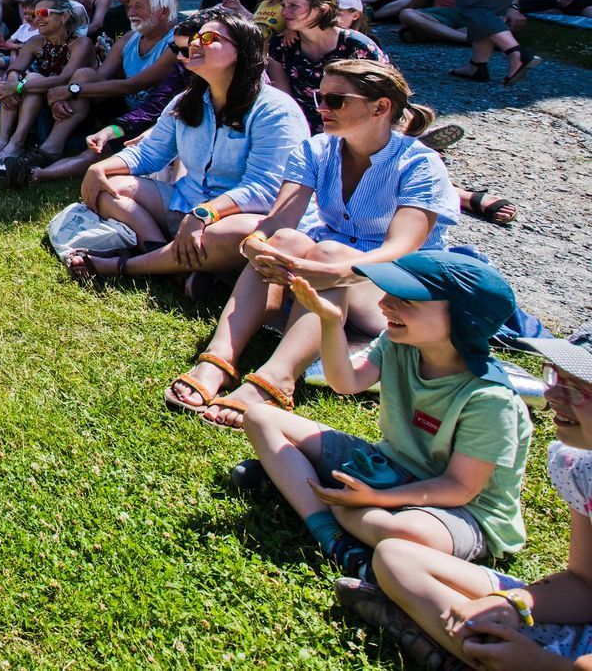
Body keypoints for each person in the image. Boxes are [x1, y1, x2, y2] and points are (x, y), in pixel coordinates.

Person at [168, 61, 459, 432]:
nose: (321, 108)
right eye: (320, 97)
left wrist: (334, 268)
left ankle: (279, 377)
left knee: (330, 251)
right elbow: (276, 223)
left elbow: (400, 250)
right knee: (284, 242)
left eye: (335, 100)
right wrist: (255, 245)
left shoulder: (419, 163)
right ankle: (218, 358)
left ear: (380, 107)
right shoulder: (317, 150)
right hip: (328, 273)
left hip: (399, 288)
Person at [238, 250, 528, 582]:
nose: (385, 304)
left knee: (405, 533)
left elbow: (459, 487)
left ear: (463, 318)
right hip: (388, 467)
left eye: (408, 300)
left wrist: (377, 498)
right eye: (388, 293)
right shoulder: (397, 343)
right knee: (261, 417)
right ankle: (335, 537)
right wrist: (331, 323)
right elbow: (346, 382)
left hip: (463, 511)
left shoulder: (489, 399)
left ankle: (307, 492)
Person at [353, 331, 592, 668]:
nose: (551, 393)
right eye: (555, 376)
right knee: (396, 557)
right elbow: (584, 583)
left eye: (576, 388)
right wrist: (513, 603)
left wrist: (543, 664)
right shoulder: (583, 466)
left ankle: (454, 648)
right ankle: (477, 653)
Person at [69, 11, 305, 282]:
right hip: (187, 202)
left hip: (239, 216)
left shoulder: (275, 110)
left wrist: (204, 213)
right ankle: (165, 258)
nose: (195, 43)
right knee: (111, 187)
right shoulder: (187, 101)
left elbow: (266, 188)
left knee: (233, 234)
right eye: (195, 37)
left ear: (242, 51)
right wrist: (100, 168)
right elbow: (149, 153)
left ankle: (128, 266)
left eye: (208, 38)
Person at [11, 0, 181, 186]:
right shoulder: (130, 38)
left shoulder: (176, 42)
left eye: (139, 7)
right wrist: (65, 95)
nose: (131, 12)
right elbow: (99, 76)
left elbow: (135, 84)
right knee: (83, 74)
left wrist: (70, 90)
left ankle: (37, 174)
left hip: (153, 115)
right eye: (129, 6)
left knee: (101, 149)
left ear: (163, 12)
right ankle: (51, 147)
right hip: (125, 107)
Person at [0, 0, 94, 172]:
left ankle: (17, 141)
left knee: (31, 80)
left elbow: (64, 78)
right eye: (34, 14)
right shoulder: (35, 41)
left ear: (64, 16)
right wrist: (12, 81)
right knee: (24, 79)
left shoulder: (81, 43)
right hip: (43, 95)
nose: (37, 19)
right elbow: (15, 68)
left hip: (73, 100)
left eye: (43, 13)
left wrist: (19, 86)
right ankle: (2, 139)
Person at [267, 0, 390, 132]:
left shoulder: (356, 45)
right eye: (284, 5)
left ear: (322, 10)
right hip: (301, 124)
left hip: (355, 125)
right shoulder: (281, 45)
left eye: (294, 6)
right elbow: (284, 99)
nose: (284, 12)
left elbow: (386, 90)